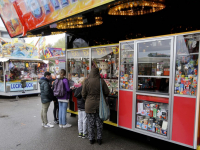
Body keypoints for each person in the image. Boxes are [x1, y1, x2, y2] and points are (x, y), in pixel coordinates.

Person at [82, 68, 109, 145]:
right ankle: (99, 139)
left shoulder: (86, 81)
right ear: (98, 73)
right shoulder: (101, 81)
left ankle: (91, 139)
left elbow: (83, 94)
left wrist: (87, 100)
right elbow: (107, 92)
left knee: (90, 123)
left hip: (89, 105)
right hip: (100, 106)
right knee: (99, 123)